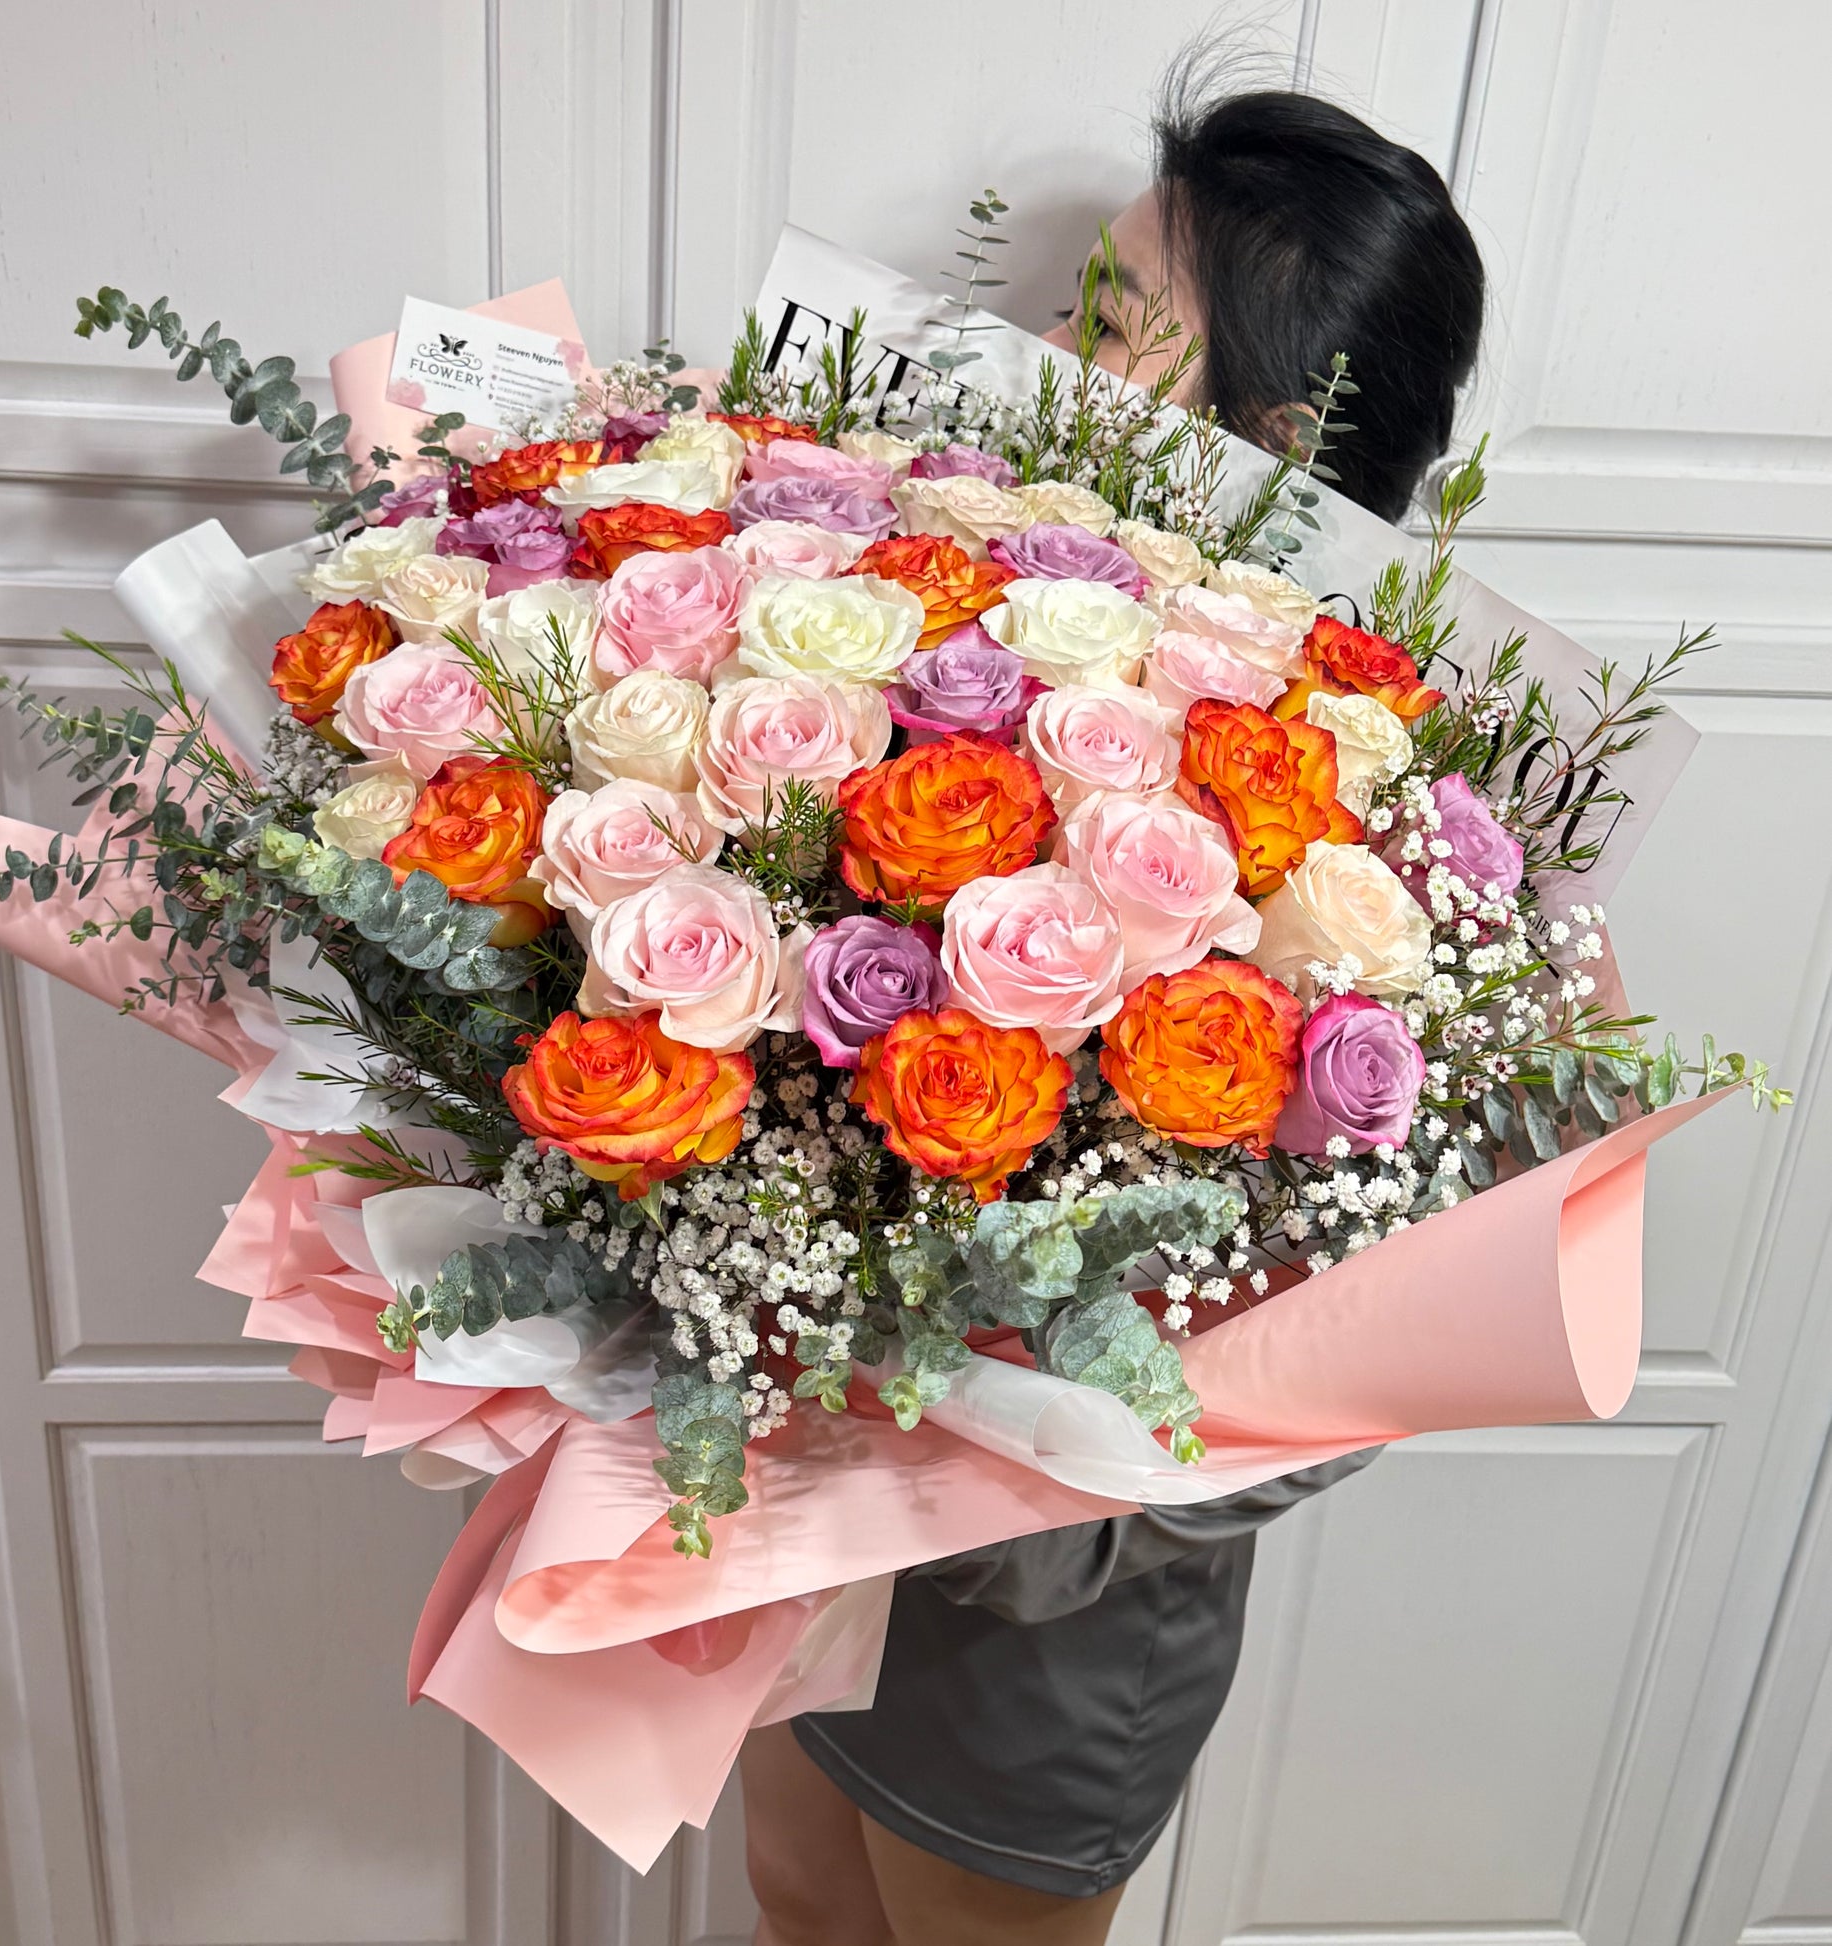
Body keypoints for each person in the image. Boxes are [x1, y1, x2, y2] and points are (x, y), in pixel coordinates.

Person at [740, 77, 1487, 1946]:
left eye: (1103, 314)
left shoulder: (1392, 798)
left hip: (1056, 1583)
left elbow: (1372, 1317)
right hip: (825, 1484)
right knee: (794, 1895)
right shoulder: (953, 606)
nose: (1040, 347)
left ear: (1255, 428)